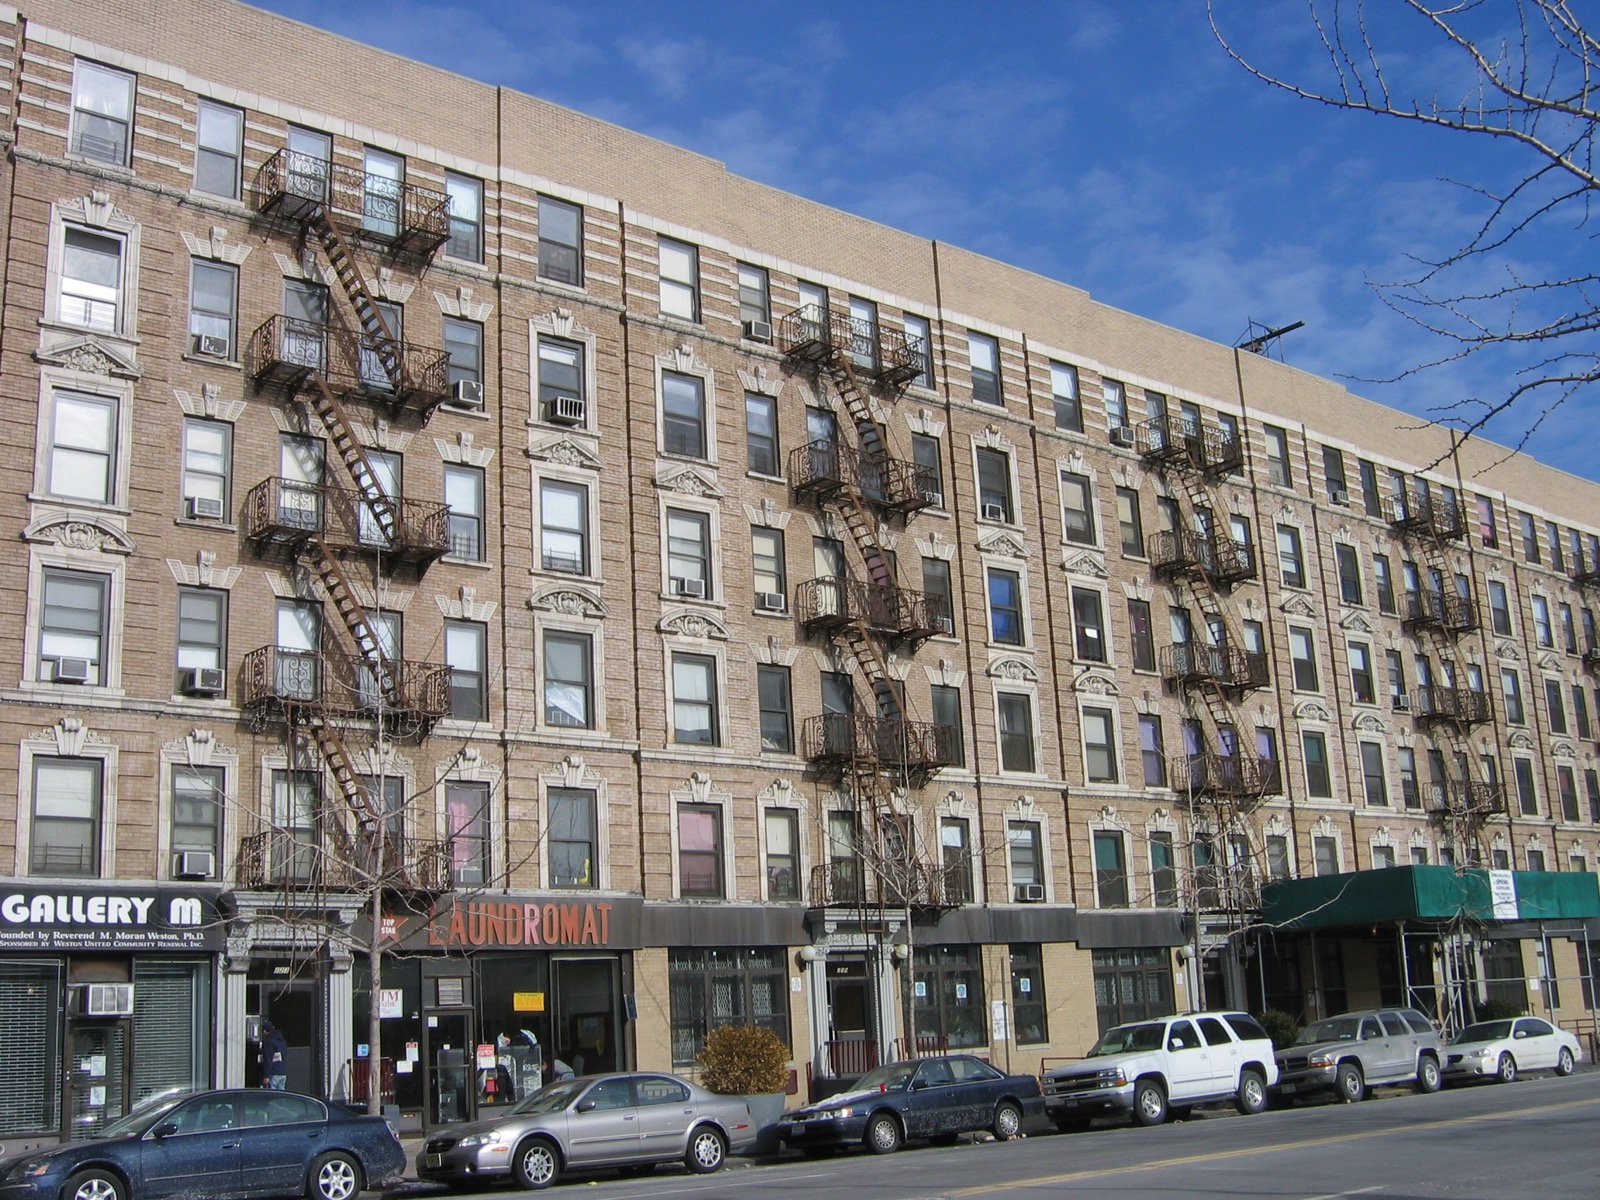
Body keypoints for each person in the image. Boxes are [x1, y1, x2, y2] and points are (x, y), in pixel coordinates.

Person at [259, 1019, 288, 1090]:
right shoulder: (282, 1040)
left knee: (272, 1095)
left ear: (265, 1031)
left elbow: (268, 1059)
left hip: (273, 1073)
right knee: (281, 1095)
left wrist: (266, 1076)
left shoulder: (269, 1042)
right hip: (282, 1072)